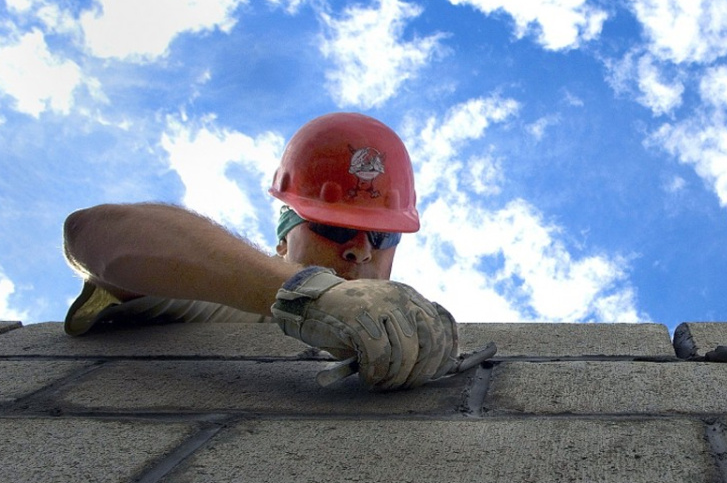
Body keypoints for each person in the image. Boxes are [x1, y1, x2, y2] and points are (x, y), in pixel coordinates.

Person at [62, 112, 480, 390]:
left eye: (382, 237)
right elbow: (93, 233)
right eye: (333, 227)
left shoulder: (408, 342)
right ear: (284, 239)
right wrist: (311, 293)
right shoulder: (218, 301)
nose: (360, 251)